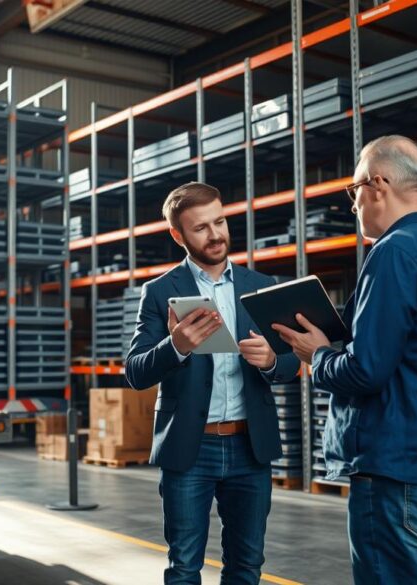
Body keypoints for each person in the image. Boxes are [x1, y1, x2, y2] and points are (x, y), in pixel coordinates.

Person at [274, 135, 417, 585]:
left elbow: (365, 370)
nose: (353, 206)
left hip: (396, 467)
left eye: (354, 191)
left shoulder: (393, 253)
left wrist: (318, 355)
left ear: (378, 184)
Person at [125, 182, 300, 585]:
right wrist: (177, 347)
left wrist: (273, 361)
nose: (216, 234)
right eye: (201, 227)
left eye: (220, 221)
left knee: (247, 565)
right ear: (178, 235)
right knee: (185, 566)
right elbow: (136, 372)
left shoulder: (261, 284)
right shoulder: (160, 292)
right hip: (191, 447)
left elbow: (293, 363)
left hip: (249, 448)